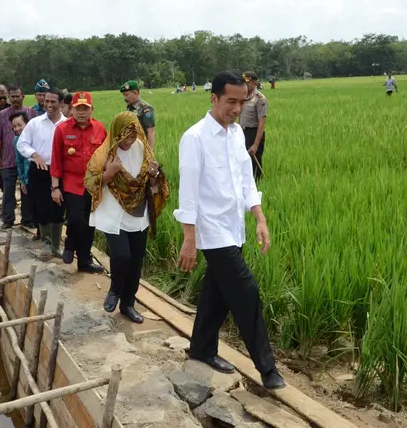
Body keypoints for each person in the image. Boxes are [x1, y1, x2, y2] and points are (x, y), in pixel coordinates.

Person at [174, 71, 284, 390]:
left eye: (242, 101)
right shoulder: (194, 138)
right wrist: (189, 239)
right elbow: (189, 194)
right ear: (214, 98)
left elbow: (246, 180)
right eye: (230, 101)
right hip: (212, 231)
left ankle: (201, 349)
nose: (237, 108)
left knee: (217, 292)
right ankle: (267, 369)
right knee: (246, 291)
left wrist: (259, 218)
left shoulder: (237, 134)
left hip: (233, 228)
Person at [85, 112, 169, 323]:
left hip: (138, 212)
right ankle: (114, 289)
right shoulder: (104, 153)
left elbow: (155, 183)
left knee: (136, 261)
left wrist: (154, 176)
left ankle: (128, 304)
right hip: (113, 212)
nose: (129, 142)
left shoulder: (143, 148)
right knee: (122, 256)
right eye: (125, 137)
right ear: (116, 134)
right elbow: (89, 183)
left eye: (133, 137)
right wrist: (109, 173)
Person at [50, 91, 106, 273]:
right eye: (78, 109)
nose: (82, 113)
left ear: (92, 110)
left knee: (90, 224)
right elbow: (56, 160)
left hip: (94, 184)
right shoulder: (62, 130)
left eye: (85, 109)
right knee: (75, 219)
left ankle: (84, 261)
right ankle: (69, 244)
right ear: (71, 110)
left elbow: (107, 157)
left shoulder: (100, 129)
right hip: (71, 183)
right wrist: (55, 187)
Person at [16, 89, 68, 258]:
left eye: (53, 101)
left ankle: (56, 246)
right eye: (47, 101)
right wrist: (34, 154)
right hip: (40, 170)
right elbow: (22, 143)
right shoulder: (35, 123)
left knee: (59, 208)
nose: (49, 105)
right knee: (42, 207)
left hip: (61, 172)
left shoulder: (67, 124)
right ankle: (46, 243)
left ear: (61, 103)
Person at [0, 85, 37, 229]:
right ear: (9, 97)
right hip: (8, 159)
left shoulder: (32, 113)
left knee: (27, 190)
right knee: (8, 190)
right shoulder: (2, 115)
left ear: (23, 96)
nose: (15, 99)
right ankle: (8, 219)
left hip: (27, 160)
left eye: (18, 96)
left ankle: (27, 219)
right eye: (12, 96)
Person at [239, 72, 268, 181]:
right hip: (243, 132)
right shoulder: (243, 97)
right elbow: (240, 117)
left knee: (254, 163)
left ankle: (258, 186)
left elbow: (261, 124)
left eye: (248, 82)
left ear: (255, 82)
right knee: (242, 162)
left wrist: (255, 145)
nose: (246, 85)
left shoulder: (260, 99)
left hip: (254, 133)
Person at [120, 80, 156, 148]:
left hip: (141, 147)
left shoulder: (145, 109)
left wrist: (149, 153)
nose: (125, 98)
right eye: (123, 95)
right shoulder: (129, 108)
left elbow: (151, 132)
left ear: (136, 92)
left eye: (126, 95)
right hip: (130, 147)